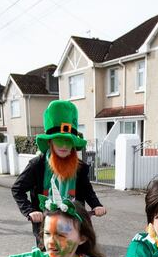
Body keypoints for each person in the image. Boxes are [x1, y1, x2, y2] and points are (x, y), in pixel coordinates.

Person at [12, 100, 106, 248]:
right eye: (59, 140)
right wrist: (31, 211)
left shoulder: (79, 167)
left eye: (67, 141)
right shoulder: (37, 165)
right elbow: (17, 189)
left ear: (73, 145)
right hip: (46, 225)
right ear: (50, 142)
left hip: (74, 221)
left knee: (79, 254)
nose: (63, 145)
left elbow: (87, 190)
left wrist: (96, 205)